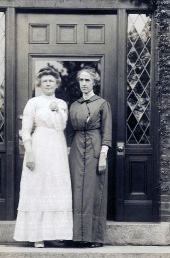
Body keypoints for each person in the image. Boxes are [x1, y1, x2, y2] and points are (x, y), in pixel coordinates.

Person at [14, 67, 73, 248]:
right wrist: (29, 152)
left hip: (57, 146)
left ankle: (55, 233)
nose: (48, 84)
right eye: (45, 81)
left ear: (56, 84)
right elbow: (25, 129)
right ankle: (36, 235)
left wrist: (57, 111)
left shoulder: (62, 103)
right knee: (37, 186)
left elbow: (62, 126)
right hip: (39, 145)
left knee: (56, 186)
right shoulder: (33, 102)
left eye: (51, 81)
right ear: (40, 84)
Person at [67, 66, 112, 248]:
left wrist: (102, 156)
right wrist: (68, 151)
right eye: (81, 80)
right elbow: (69, 132)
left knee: (94, 190)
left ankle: (94, 237)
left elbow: (107, 131)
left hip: (94, 146)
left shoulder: (102, 103)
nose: (84, 84)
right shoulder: (74, 105)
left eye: (87, 80)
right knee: (76, 189)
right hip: (77, 148)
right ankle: (75, 236)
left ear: (94, 82)